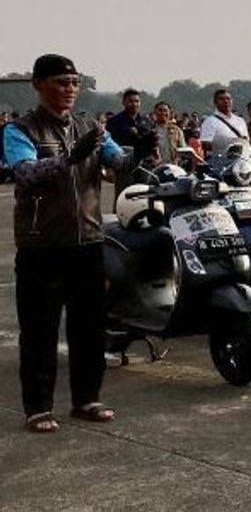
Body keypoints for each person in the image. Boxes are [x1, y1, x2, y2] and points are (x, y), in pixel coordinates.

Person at [4, 54, 132, 433]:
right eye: (61, 82)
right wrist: (70, 158)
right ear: (38, 84)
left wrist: (131, 153)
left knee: (89, 328)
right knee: (40, 330)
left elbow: (114, 159)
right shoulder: (20, 130)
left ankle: (87, 398)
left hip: (88, 240)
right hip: (42, 244)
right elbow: (26, 173)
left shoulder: (90, 126)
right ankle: (38, 407)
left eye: (74, 82)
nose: (69, 90)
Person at [107, 88, 156, 203]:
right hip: (124, 165)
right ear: (124, 102)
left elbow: (152, 141)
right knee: (123, 197)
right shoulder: (115, 121)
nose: (134, 104)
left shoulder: (146, 120)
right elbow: (108, 144)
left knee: (144, 196)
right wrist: (109, 168)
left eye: (137, 101)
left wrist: (155, 155)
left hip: (145, 164)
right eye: (131, 101)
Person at [199, 88, 249, 158]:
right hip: (220, 161)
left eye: (228, 99)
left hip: (241, 160)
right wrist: (227, 143)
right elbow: (205, 144)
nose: (226, 101)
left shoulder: (240, 121)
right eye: (221, 99)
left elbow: (246, 142)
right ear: (215, 102)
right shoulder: (209, 121)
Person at [151, 101, 185, 165]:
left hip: (173, 167)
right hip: (154, 168)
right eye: (160, 110)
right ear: (155, 112)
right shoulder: (150, 130)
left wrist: (177, 160)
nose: (163, 113)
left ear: (169, 113)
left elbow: (183, 150)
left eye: (165, 111)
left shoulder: (177, 130)